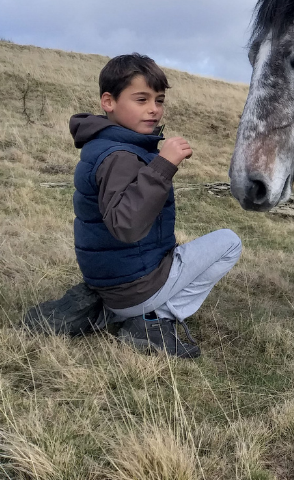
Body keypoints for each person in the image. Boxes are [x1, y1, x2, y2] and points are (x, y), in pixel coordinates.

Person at [69, 53, 241, 359]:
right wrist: (163, 165)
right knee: (229, 242)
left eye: (159, 100)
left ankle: (119, 310)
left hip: (110, 281)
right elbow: (126, 225)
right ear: (108, 102)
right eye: (141, 99)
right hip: (132, 289)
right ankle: (152, 319)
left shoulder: (103, 144)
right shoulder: (120, 156)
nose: (153, 109)